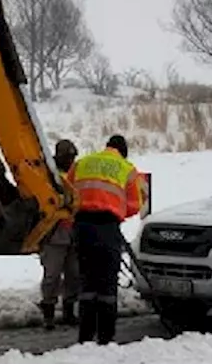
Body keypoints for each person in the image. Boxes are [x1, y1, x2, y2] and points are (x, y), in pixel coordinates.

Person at [65, 134, 144, 345]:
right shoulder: (127, 169)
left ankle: (85, 335)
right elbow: (135, 205)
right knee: (107, 285)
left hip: (82, 228)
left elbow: (67, 193)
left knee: (87, 282)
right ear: (123, 151)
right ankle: (106, 338)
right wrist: (116, 212)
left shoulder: (82, 163)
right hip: (108, 227)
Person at [39, 139, 81, 329]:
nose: (70, 160)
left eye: (72, 157)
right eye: (68, 157)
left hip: (73, 232)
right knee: (52, 276)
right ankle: (48, 312)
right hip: (54, 234)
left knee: (74, 274)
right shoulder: (47, 175)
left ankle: (68, 311)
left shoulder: (76, 174)